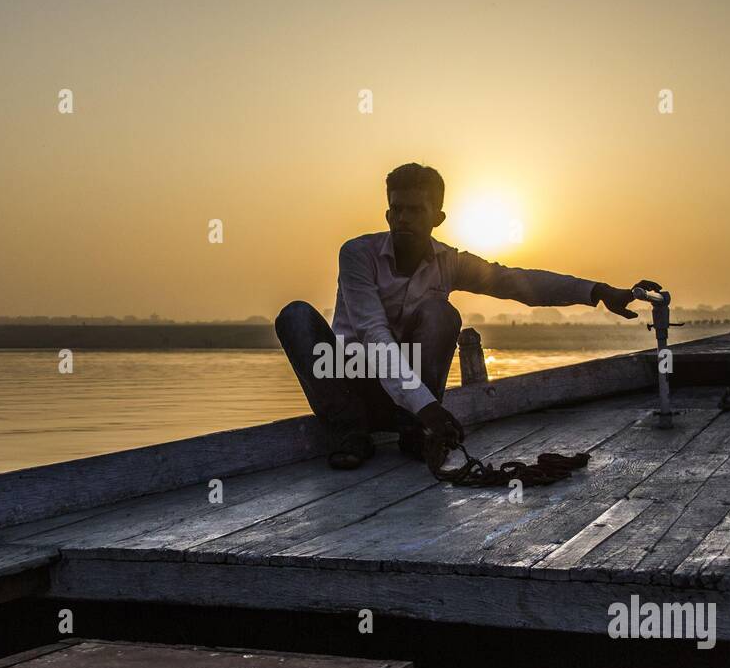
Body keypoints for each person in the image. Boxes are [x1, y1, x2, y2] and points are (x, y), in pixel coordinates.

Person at [276, 162, 661, 469]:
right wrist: (430, 407)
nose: (404, 219)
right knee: (295, 316)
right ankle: (350, 434)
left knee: (440, 312)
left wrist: (596, 292)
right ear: (388, 212)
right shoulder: (357, 255)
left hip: (414, 399)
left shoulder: (449, 264)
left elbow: (519, 282)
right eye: (397, 209)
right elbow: (373, 334)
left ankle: (415, 431)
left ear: (437, 218)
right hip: (352, 381)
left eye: (415, 210)